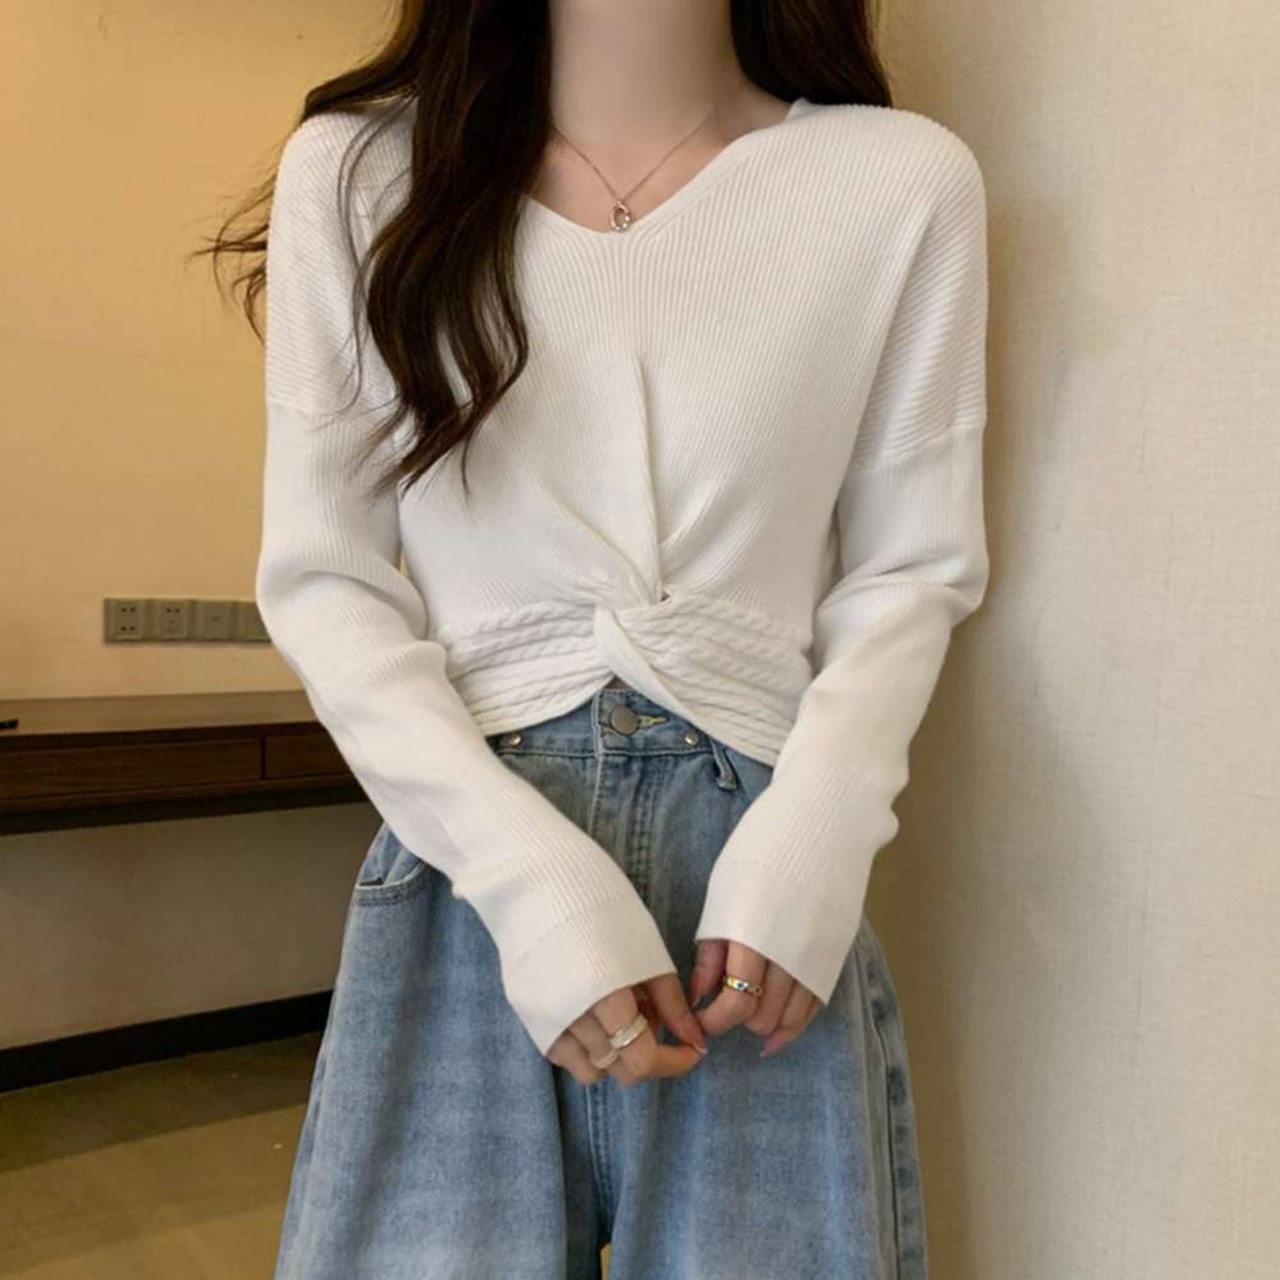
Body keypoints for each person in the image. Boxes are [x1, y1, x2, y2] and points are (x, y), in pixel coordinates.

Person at [203, 2, 990, 1275]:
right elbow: (323, 575)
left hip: (760, 896)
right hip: (471, 860)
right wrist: (529, 880)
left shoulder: (895, 181)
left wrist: (817, 835)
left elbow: (911, 567)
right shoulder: (362, 171)